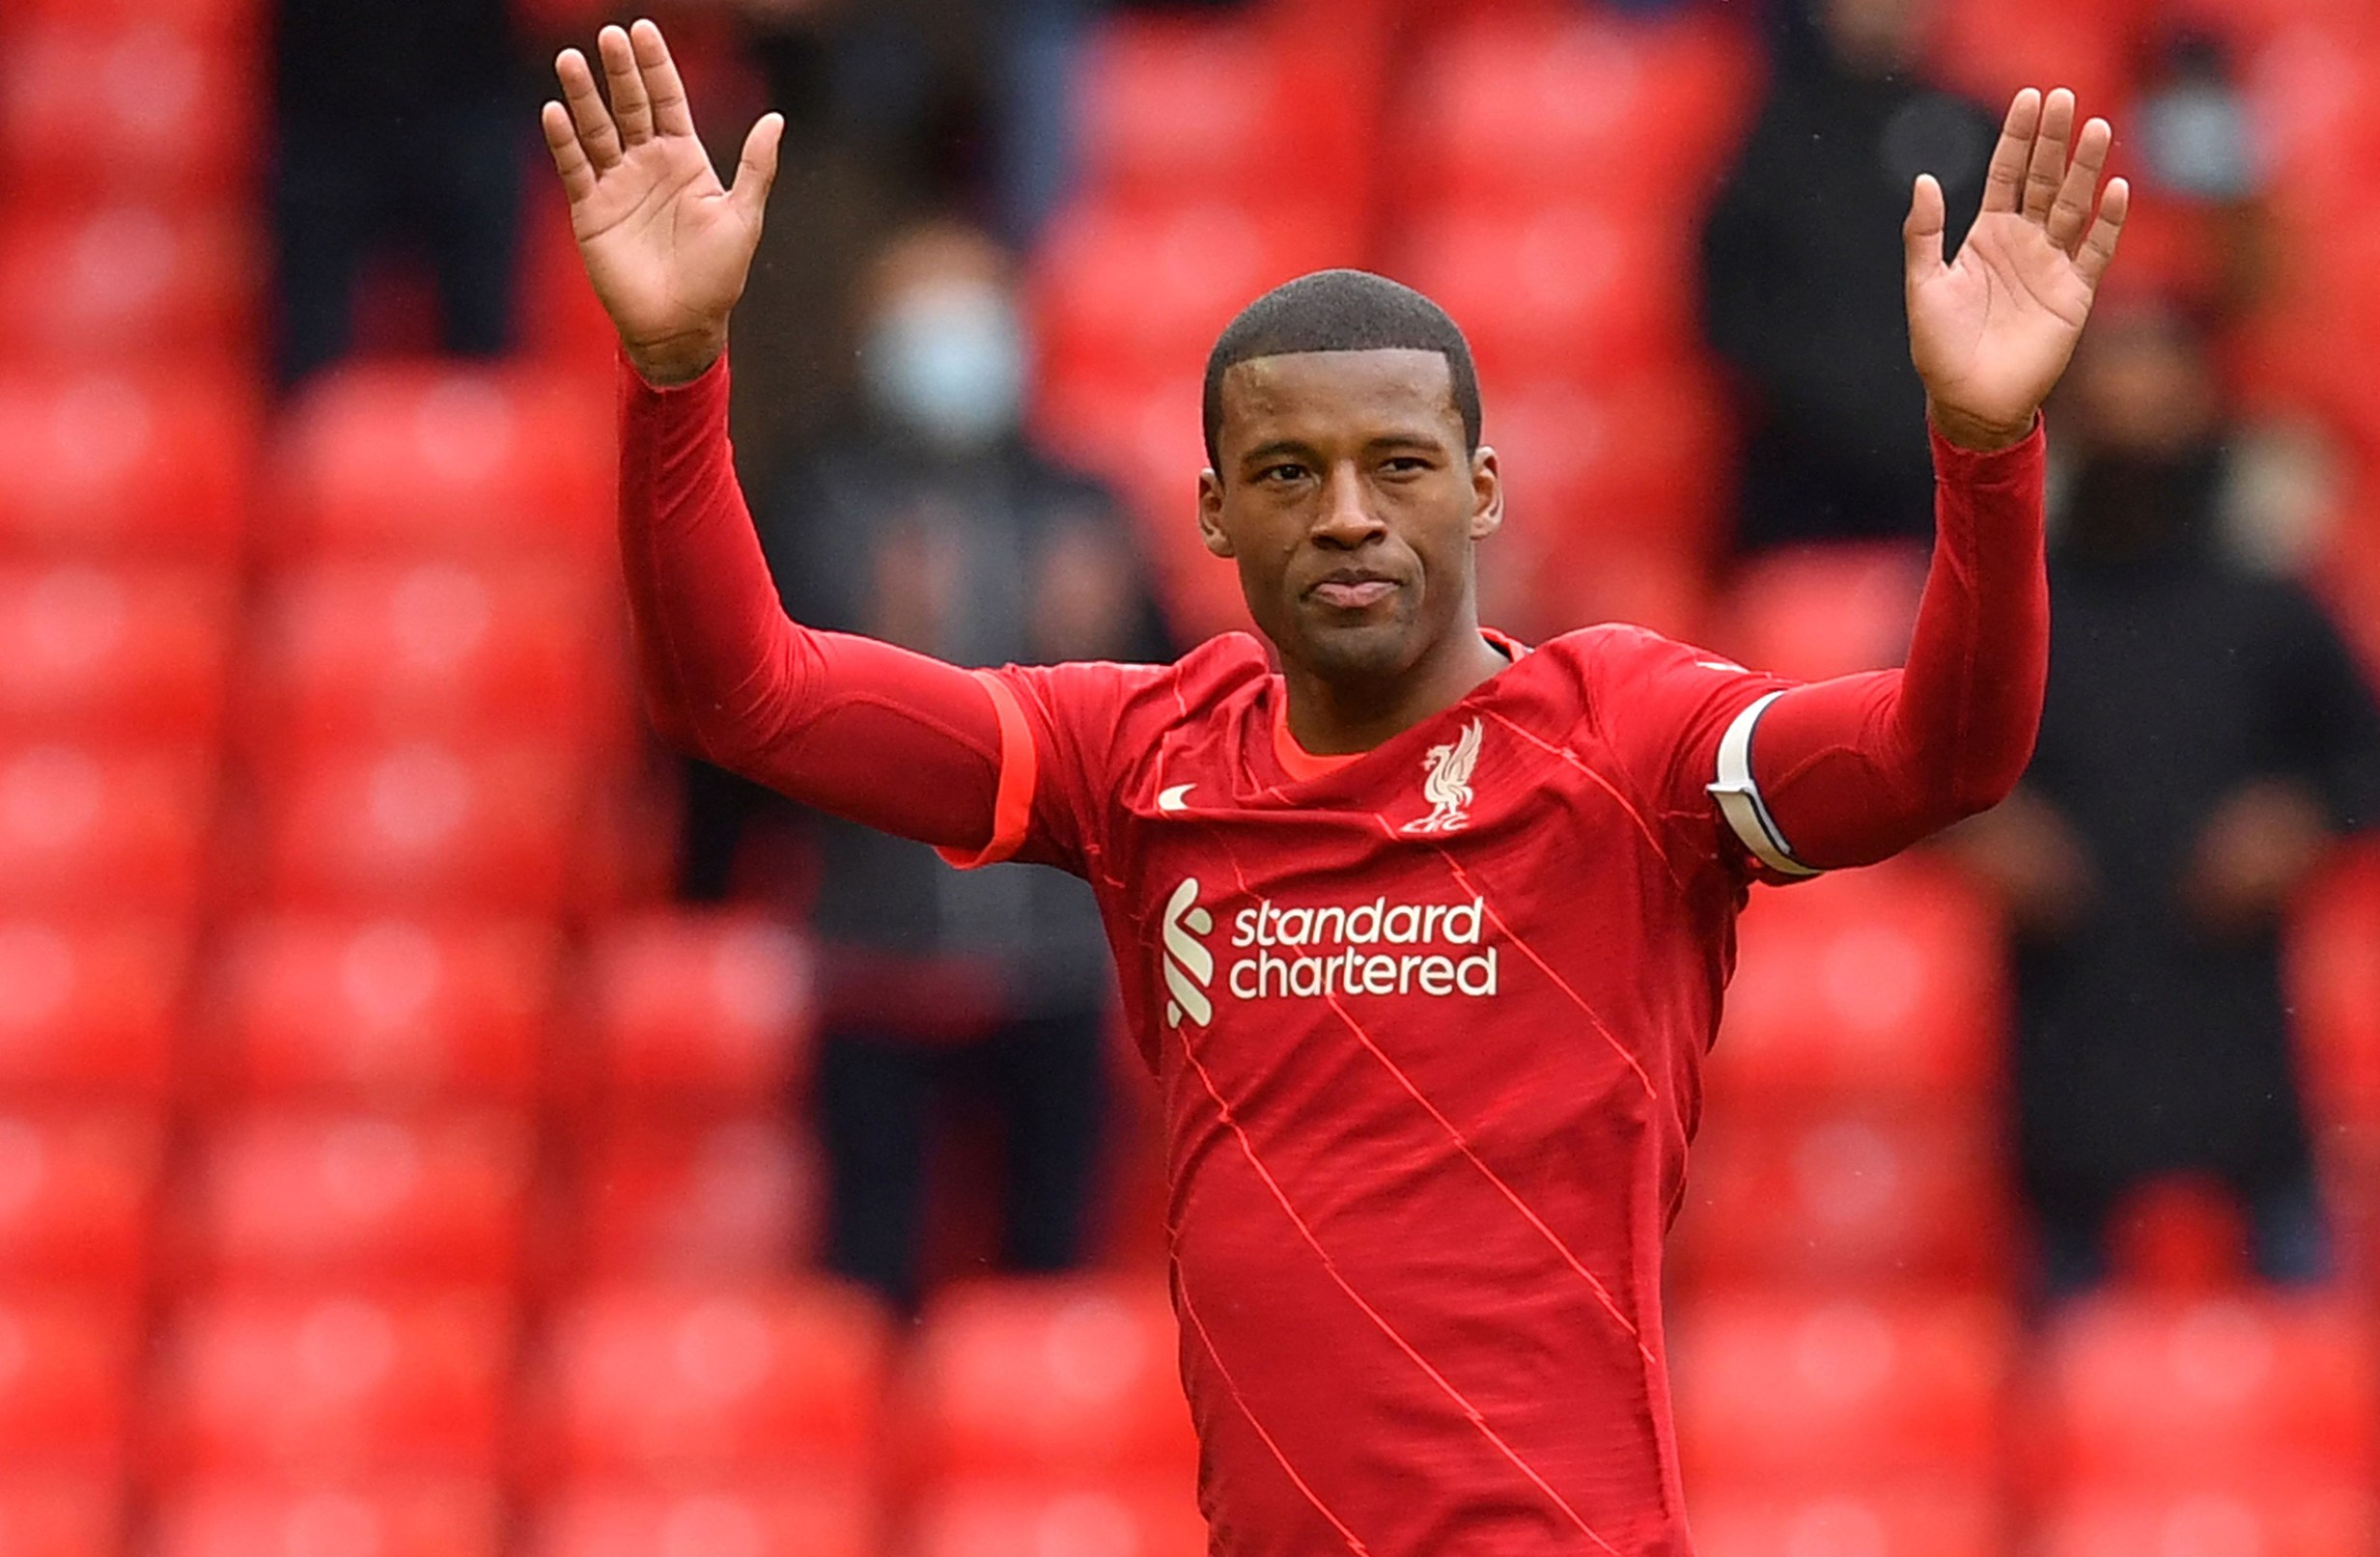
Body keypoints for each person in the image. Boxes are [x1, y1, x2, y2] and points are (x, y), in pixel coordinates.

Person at [542, 21, 2125, 1552]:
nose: (1351, 512)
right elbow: (742, 693)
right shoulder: (1141, 758)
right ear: (1217, 515)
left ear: (1482, 491)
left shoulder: (1626, 746)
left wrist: (1986, 451)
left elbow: (1944, 753)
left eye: (1403, 464)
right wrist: (676, 370)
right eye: (1291, 473)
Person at [1942, 300, 2380, 1294]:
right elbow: (1893, 754)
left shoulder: (2267, 601)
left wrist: (2303, 819)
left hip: (2235, 1018)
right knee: (2063, 1336)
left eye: (2160, 410)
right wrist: (1973, 828)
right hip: (2070, 1013)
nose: (2138, 436)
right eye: (2114, 411)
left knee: (2295, 1326)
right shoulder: (2010, 599)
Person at [773, 217, 1173, 1310]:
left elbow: (1179, 710)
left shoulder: (1087, 506)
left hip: (1056, 961)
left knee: (1053, 1269)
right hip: (879, 952)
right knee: (869, 1265)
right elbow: (749, 719)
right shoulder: (816, 501)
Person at [1701, 0, 1997, 547]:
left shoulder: (1976, 132)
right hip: (1800, 468)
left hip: (1944, 457)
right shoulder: (1771, 138)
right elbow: (1728, 299)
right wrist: (1818, 397)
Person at [270, 0, 526, 386]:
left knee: (485, 357)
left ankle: (489, 436)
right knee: (309, 355)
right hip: (325, 111)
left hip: (467, 103)